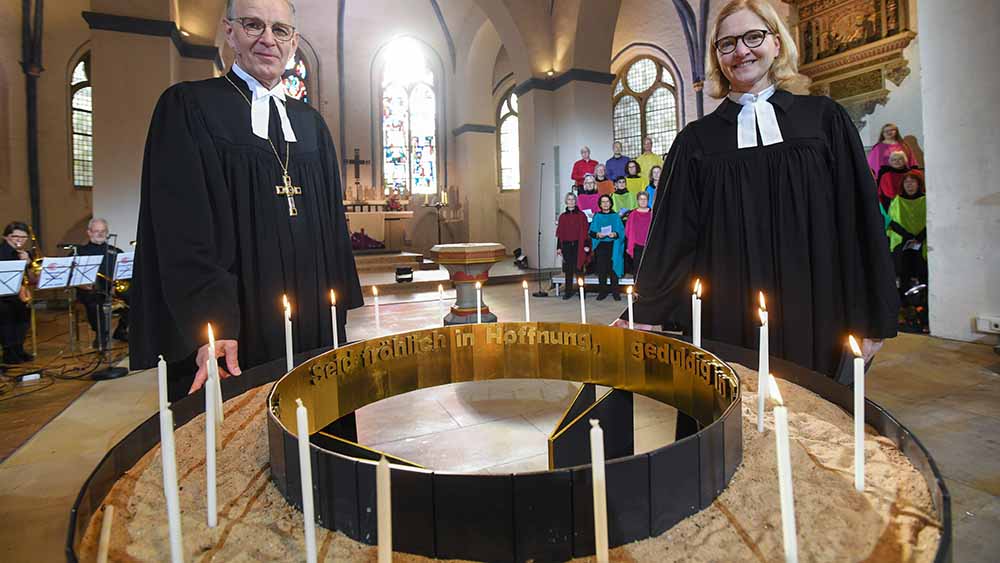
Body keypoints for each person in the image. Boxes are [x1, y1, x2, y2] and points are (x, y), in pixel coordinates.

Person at [619, 0, 897, 380]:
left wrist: (873, 315)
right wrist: (644, 311)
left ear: (777, 43)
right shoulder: (696, 141)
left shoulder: (823, 119)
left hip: (818, 305)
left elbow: (859, 218)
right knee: (739, 425)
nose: (742, 51)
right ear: (718, 58)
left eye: (753, 37)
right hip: (729, 313)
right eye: (727, 43)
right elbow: (673, 236)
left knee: (815, 426)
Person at [132, 0, 363, 401]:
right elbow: (181, 230)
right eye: (254, 25)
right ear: (230, 31)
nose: (268, 40)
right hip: (238, 328)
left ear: (293, 43)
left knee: (316, 434)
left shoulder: (311, 125)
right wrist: (211, 323)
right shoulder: (190, 106)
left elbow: (332, 229)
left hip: (312, 323)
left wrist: (335, 316)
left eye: (281, 30)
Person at [75, 218, 129, 349]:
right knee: (94, 301)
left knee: (136, 295)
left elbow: (125, 274)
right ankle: (101, 334)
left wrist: (117, 287)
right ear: (89, 232)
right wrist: (81, 284)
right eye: (96, 231)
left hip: (112, 290)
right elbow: (72, 276)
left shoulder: (115, 251)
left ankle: (121, 330)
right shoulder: (79, 252)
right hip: (90, 290)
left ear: (107, 233)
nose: (100, 234)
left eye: (103, 231)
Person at [0, 222, 34, 365]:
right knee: (6, 313)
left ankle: (19, 347)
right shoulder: (1, 252)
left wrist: (28, 262)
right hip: (3, 295)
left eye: (24, 237)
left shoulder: (24, 254)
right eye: (15, 236)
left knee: (24, 316)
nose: (20, 240)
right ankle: (8, 351)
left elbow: (32, 277)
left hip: (19, 294)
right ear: (6, 237)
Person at [887, 170, 927, 284]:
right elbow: (891, 221)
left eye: (912, 182)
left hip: (922, 240)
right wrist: (906, 235)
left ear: (918, 184)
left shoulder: (926, 200)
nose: (909, 185)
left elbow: (932, 220)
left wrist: (921, 235)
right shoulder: (897, 201)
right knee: (904, 272)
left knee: (922, 271)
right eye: (906, 182)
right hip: (903, 240)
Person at [589, 195, 625, 301]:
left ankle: (615, 292)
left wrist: (615, 234)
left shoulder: (615, 216)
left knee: (614, 269)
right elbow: (591, 232)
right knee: (602, 270)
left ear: (611, 203)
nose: (605, 204)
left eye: (607, 201)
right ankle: (602, 292)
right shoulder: (597, 216)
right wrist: (597, 235)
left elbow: (622, 232)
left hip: (613, 245)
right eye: (603, 202)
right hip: (601, 246)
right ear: (600, 204)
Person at [556, 192, 591, 300]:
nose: (571, 201)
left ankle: (581, 291)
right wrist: (559, 247)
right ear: (566, 202)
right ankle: (568, 291)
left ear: (575, 202)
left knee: (579, 269)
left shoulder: (581, 215)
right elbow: (560, 233)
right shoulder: (562, 217)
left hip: (578, 245)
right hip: (566, 245)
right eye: (569, 199)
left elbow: (585, 232)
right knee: (568, 270)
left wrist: (586, 245)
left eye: (573, 199)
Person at [626, 191, 653, 275]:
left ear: (648, 200)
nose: (643, 201)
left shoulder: (652, 213)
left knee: (649, 268)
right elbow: (628, 231)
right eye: (641, 199)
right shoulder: (633, 214)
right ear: (637, 201)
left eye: (645, 199)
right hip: (637, 246)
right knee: (637, 269)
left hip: (650, 245)